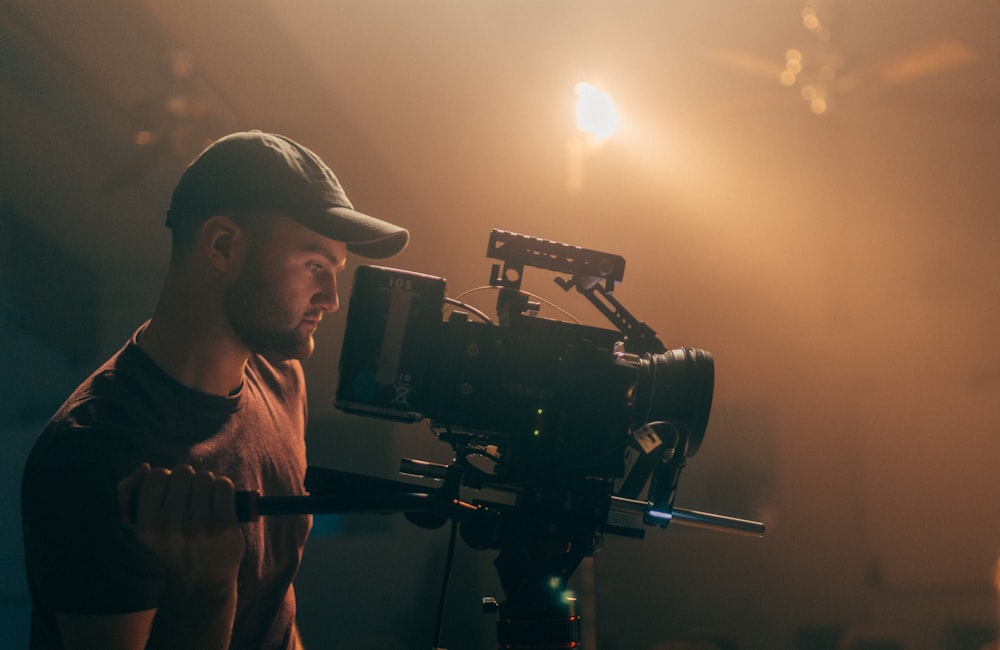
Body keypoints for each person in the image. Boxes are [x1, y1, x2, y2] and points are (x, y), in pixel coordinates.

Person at [20, 130, 409, 649]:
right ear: (224, 246)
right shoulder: (97, 452)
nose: (332, 299)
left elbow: (273, 607)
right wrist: (205, 590)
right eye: (315, 265)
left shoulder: (280, 380)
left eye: (335, 271)